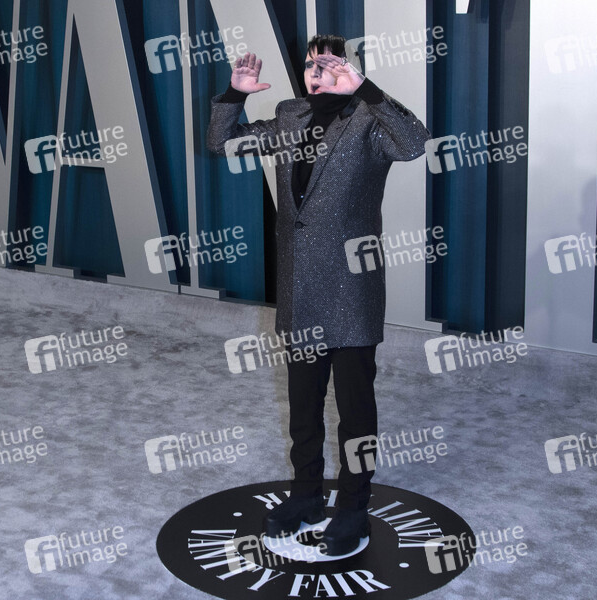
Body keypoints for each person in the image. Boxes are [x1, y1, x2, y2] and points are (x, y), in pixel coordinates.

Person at [207, 34, 430, 556]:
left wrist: (367, 90)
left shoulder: (371, 120)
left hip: (351, 288)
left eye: (328, 64)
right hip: (300, 287)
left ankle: (353, 507)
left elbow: (414, 143)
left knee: (355, 410)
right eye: (310, 64)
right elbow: (224, 142)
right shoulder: (290, 115)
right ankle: (305, 495)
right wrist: (235, 95)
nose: (316, 72)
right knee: (303, 407)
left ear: (351, 69)